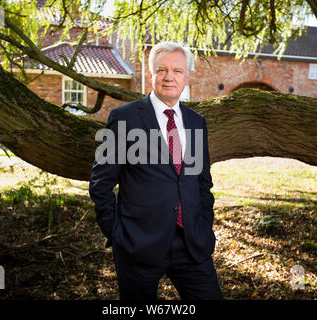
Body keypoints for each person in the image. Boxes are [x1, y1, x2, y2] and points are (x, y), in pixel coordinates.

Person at [89, 41, 223, 300]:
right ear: (151, 74)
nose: (169, 77)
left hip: (191, 243)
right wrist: (117, 235)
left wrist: (205, 227)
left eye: (177, 71)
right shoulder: (125, 118)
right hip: (138, 245)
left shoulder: (197, 122)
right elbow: (101, 183)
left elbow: (202, 183)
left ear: (187, 76)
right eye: (162, 70)